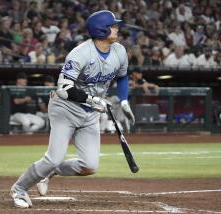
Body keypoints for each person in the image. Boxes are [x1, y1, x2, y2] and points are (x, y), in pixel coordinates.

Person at [10, 10, 135, 208]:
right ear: (102, 30)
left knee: (89, 166)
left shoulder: (119, 51)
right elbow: (64, 89)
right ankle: (20, 188)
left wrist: (124, 101)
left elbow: (122, 77)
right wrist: (93, 99)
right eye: (113, 26)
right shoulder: (80, 54)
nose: (117, 28)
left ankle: (50, 171)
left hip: (91, 112)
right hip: (65, 109)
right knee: (53, 157)